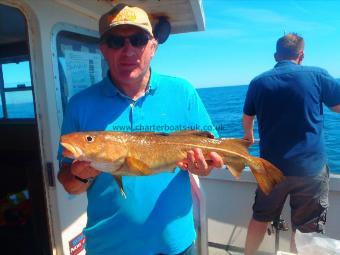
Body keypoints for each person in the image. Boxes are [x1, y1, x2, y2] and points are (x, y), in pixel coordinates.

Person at [57, 4, 223, 255]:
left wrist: (205, 165)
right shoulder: (80, 105)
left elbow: (213, 155)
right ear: (103, 49)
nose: (128, 50)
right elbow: (69, 185)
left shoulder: (183, 92)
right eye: (115, 41)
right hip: (109, 247)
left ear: (153, 47)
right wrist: (81, 174)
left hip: (176, 244)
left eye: (138, 40)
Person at [242, 32, 340, 254]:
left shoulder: (258, 82)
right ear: (302, 55)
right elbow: (338, 106)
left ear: (276, 56)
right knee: (305, 230)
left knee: (260, 217)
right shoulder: (318, 75)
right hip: (310, 170)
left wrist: (248, 137)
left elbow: (247, 117)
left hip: (271, 169)